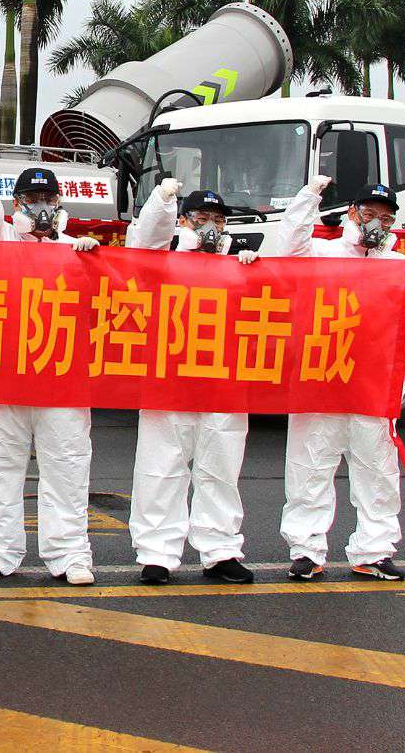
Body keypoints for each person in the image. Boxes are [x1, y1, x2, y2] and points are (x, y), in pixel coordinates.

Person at [273, 176, 405, 582]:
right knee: (310, 467)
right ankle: (306, 550)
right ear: (351, 213)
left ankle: (374, 551)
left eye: (386, 217)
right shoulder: (323, 253)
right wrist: (309, 196)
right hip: (321, 378)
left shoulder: (398, 265)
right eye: (369, 213)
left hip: (372, 384)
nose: (376, 223)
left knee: (377, 471)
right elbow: (288, 248)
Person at [0, 134, 101, 586]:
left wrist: (94, 265)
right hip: (3, 377)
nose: (41, 207)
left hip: (62, 379)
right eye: (31, 199)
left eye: (48, 199)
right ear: (16, 204)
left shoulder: (78, 249)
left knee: (68, 467)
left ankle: (71, 554)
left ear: (59, 203)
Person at [125, 179, 260, 585]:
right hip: (169, 377)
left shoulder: (237, 262)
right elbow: (146, 240)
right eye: (202, 218)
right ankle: (157, 554)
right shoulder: (163, 256)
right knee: (160, 468)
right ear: (183, 220)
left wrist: (256, 270)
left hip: (223, 379)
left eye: (218, 220)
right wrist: (162, 200)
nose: (211, 227)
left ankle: (220, 550)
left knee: (220, 469)